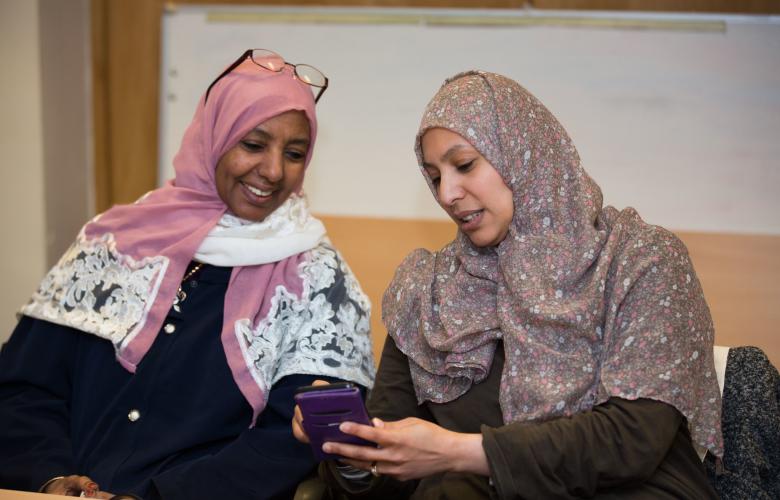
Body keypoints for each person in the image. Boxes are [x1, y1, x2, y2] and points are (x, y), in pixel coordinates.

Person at [293, 70, 723, 498]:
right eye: (436, 176)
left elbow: (634, 439)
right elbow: (388, 468)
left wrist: (460, 452)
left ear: (524, 153)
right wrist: (353, 450)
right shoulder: (428, 293)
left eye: (464, 165)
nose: (447, 194)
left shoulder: (638, 262)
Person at [0, 49, 374, 499]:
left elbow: (289, 441)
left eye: (294, 153)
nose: (274, 171)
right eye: (253, 144)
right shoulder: (115, 242)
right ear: (213, 139)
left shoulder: (315, 277)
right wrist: (51, 477)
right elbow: (25, 387)